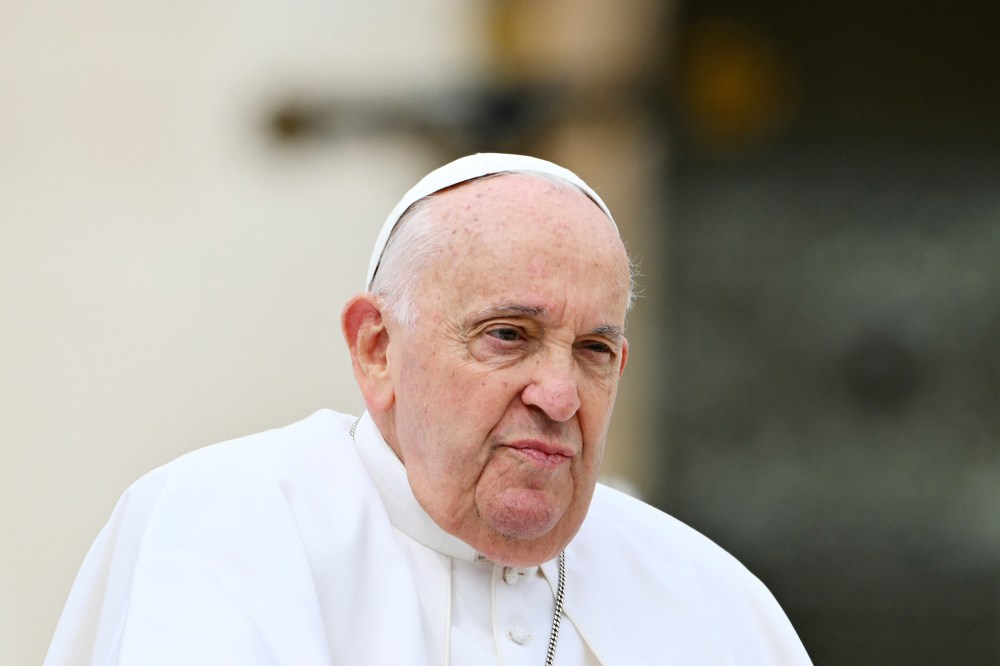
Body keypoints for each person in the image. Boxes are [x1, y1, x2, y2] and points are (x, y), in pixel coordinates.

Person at [45, 153, 811, 665]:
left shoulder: (715, 600)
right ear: (377, 349)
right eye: (509, 335)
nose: (559, 395)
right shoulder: (229, 523)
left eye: (593, 351)